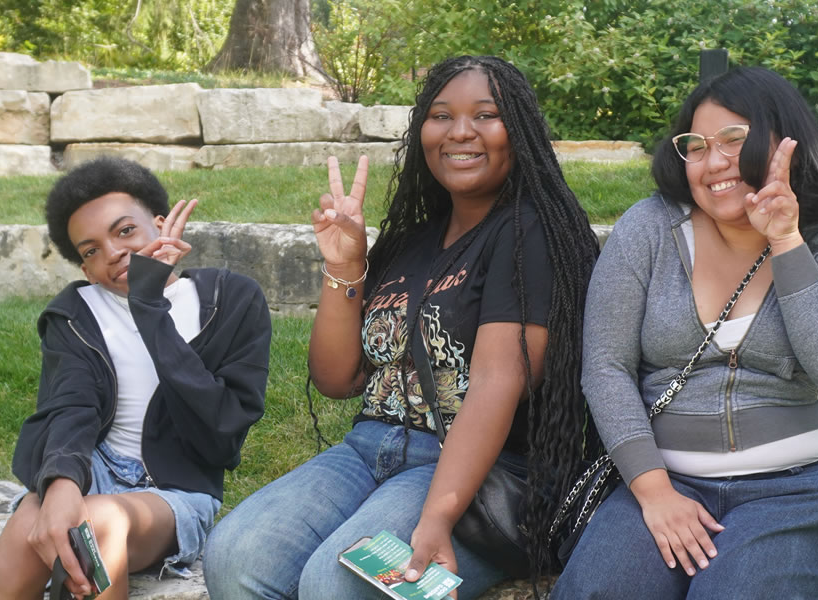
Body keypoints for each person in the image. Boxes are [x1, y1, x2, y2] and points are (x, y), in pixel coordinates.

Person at [203, 55, 600, 600]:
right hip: (367, 449)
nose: (460, 131)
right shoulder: (411, 241)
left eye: (486, 115)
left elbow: (496, 383)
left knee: (336, 584)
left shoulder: (530, 233)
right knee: (234, 555)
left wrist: (438, 517)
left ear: (521, 130)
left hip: (477, 474)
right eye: (441, 115)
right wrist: (344, 268)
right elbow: (338, 379)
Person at [553, 67, 818, 600]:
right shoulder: (649, 230)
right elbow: (606, 365)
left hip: (801, 486)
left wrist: (786, 241)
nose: (713, 163)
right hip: (668, 481)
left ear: (783, 143)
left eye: (735, 141)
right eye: (696, 146)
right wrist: (653, 490)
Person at [0, 157, 272, 600]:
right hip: (93, 467)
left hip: (175, 490)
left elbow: (220, 433)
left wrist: (149, 305)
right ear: (84, 268)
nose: (113, 253)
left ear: (160, 225)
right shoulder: (78, 312)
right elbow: (70, 405)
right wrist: (60, 485)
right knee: (28, 524)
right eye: (91, 250)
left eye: (124, 231)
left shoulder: (231, 299)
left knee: (98, 526)